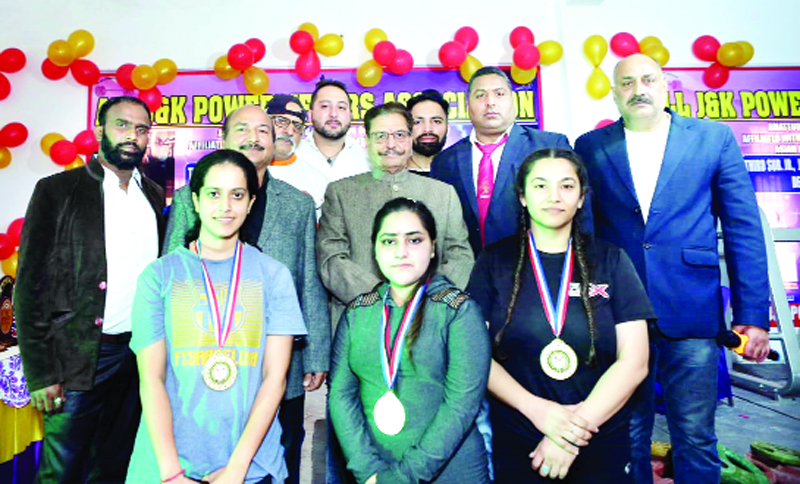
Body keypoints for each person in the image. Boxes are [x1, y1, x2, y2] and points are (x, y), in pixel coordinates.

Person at [575, 54, 771, 484]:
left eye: (647, 79)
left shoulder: (712, 139)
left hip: (692, 310)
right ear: (614, 92)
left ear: (666, 86)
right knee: (625, 434)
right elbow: (584, 236)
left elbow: (742, 229)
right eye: (626, 82)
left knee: (696, 436)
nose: (638, 89)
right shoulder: (591, 146)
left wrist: (752, 317)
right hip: (618, 316)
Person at [164, 104, 329, 484]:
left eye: (264, 131)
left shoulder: (298, 203)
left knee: (281, 454)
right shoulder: (195, 197)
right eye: (243, 129)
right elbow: (171, 276)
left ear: (276, 143)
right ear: (223, 138)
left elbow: (309, 279)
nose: (254, 138)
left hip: (278, 358)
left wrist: (316, 351)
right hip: (203, 355)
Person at [468, 149, 653, 483]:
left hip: (599, 434)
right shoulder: (493, 262)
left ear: (582, 198)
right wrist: (540, 412)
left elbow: (635, 361)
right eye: (540, 186)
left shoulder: (611, 259)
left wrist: (568, 433)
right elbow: (476, 355)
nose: (554, 196)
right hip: (522, 434)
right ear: (522, 197)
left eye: (567, 186)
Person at [127, 149, 307, 483]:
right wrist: (170, 473)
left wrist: (236, 469)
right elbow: (151, 378)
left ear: (251, 203)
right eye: (213, 194)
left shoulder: (274, 275)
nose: (225, 207)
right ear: (194, 200)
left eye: (237, 195)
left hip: (251, 465)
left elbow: (275, 378)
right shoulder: (159, 276)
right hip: (167, 462)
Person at [15, 96, 165, 483]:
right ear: (99, 130)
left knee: (115, 465)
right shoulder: (58, 191)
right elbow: (30, 287)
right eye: (122, 125)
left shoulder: (152, 194)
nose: (132, 136)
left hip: (136, 358)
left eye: (141, 129)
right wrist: (41, 373)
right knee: (61, 470)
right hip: (77, 358)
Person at [330, 197, 491, 483]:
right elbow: (341, 397)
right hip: (373, 473)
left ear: (432, 248)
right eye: (389, 241)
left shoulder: (459, 310)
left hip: (450, 472)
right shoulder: (358, 312)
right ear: (375, 250)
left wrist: (401, 479)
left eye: (414, 240)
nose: (401, 252)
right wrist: (367, 469)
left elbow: (461, 407)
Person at [317, 102, 474, 333]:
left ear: (411, 140)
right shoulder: (340, 193)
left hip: (430, 324)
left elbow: (461, 255)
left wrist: (425, 297)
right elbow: (330, 260)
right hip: (360, 324)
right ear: (367, 142)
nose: (391, 145)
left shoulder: (443, 193)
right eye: (381, 136)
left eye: (399, 135)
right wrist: (385, 298)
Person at [431, 67, 571, 255]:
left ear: (513, 101)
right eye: (480, 95)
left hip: (536, 267)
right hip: (470, 273)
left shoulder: (548, 145)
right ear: (468, 105)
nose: (490, 103)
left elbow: (578, 209)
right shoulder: (445, 162)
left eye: (499, 94)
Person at [294, 78, 371, 184]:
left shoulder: (367, 161)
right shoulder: (294, 156)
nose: (333, 114)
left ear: (350, 115)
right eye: (325, 106)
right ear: (310, 114)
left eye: (341, 107)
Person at [267, 94, 329, 220]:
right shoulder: (244, 170)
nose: (289, 132)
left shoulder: (319, 180)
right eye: (281, 122)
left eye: (297, 126)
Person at [406, 89, 450, 175]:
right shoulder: (392, 176)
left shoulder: (462, 176)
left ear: (448, 129)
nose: (427, 129)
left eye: (436, 121)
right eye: (418, 122)